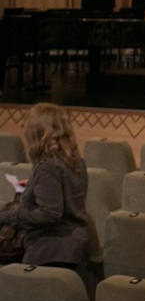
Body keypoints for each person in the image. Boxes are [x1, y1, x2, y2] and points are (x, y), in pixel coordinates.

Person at [0, 103, 89, 270]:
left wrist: (9, 216)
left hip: (50, 251)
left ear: (36, 132)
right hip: (71, 247)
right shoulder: (77, 161)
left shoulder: (48, 166)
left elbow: (49, 214)